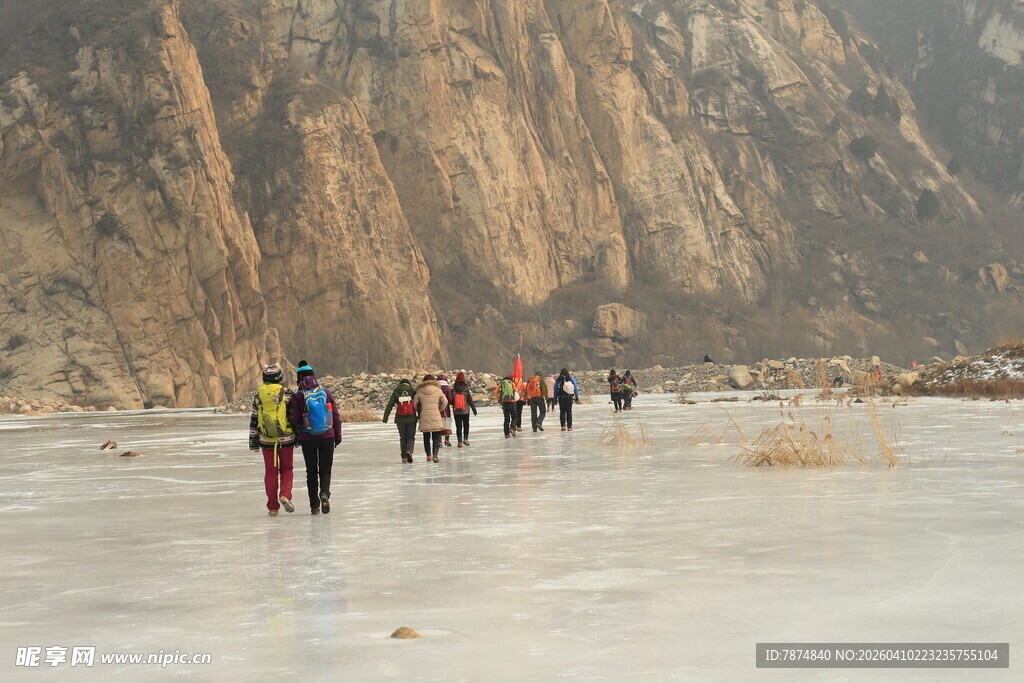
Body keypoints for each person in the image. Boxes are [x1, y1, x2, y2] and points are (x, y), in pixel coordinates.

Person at [288, 361, 341, 515]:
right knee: (325, 470)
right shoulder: (325, 392)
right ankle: (324, 493)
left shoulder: (298, 396)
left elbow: (294, 419)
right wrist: (337, 435)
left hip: (308, 438)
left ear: (299, 378)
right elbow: (335, 416)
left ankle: (314, 506)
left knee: (311, 472)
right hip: (327, 436)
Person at [249, 364, 297, 517]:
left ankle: (273, 507)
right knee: (287, 469)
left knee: (271, 472)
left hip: (266, 440)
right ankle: (285, 495)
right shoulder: (288, 393)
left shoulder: (258, 395)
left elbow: (254, 419)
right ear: (280, 378)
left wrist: (253, 441)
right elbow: (294, 417)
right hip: (286, 439)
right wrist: (299, 438)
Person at [414, 374, 448, 462]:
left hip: (424, 416)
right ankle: (435, 455)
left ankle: (428, 455)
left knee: (426, 437)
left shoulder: (420, 390)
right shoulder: (438, 390)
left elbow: (415, 403)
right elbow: (445, 402)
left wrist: (419, 411)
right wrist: (439, 409)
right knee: (436, 436)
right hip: (435, 415)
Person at [382, 378, 418, 463]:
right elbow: (418, 404)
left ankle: (404, 457)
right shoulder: (412, 391)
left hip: (400, 418)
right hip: (411, 418)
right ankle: (409, 451)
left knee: (403, 438)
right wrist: (420, 415)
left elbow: (390, 405)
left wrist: (385, 418)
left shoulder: (396, 391)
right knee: (410, 437)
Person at [451, 372, 477, 447]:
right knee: (466, 425)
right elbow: (470, 400)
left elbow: (451, 401)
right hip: (465, 411)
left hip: (456, 411)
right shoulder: (466, 389)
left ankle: (459, 442)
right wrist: (474, 409)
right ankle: (466, 439)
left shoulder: (453, 390)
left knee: (458, 426)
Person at [437, 373, 455, 447]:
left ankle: (439, 441)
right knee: (447, 424)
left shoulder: (436, 388)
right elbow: (450, 399)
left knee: (438, 425)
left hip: (437, 408)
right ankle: (447, 440)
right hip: (446, 409)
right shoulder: (447, 388)